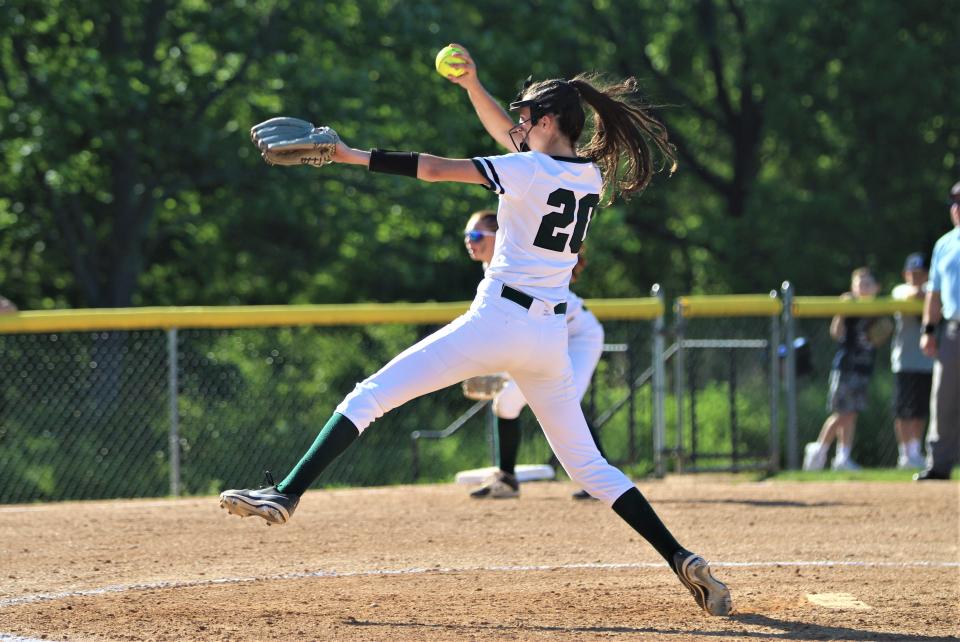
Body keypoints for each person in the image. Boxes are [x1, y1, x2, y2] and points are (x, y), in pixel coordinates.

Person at [220, 44, 732, 616]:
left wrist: (346, 154)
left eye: (526, 116)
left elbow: (436, 168)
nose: (516, 124)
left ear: (548, 121)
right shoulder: (584, 174)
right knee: (590, 468)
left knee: (371, 396)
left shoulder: (525, 168)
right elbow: (511, 143)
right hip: (548, 337)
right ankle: (681, 557)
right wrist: (472, 87)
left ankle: (287, 493)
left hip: (498, 321)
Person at [462, 210, 608, 500]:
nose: (469, 241)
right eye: (467, 235)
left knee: (566, 403)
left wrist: (500, 369)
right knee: (505, 404)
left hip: (578, 336)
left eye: (476, 235)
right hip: (545, 336)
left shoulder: (515, 265)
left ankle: (600, 479)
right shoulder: (494, 268)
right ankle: (506, 479)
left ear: (499, 236)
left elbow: (519, 327)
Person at [803, 267, 882, 471]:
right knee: (842, 413)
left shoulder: (878, 309)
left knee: (852, 414)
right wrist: (841, 311)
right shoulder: (849, 308)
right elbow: (836, 333)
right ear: (852, 288)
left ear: (876, 288)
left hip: (864, 368)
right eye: (859, 283)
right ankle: (819, 449)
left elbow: (879, 338)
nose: (863, 288)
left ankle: (843, 457)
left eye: (867, 283)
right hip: (846, 367)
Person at [915, 181, 960, 481]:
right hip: (954, 329)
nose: (957, 208)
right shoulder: (944, 244)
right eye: (955, 203)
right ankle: (940, 463)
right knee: (943, 398)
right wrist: (929, 329)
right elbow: (934, 293)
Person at [890, 253, 934, 469]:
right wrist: (926, 292)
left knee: (920, 410)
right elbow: (910, 293)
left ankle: (915, 451)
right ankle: (904, 453)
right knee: (903, 410)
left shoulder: (933, 292)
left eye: (921, 274)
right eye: (913, 273)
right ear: (905, 274)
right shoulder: (900, 290)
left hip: (927, 362)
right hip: (904, 361)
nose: (917, 277)